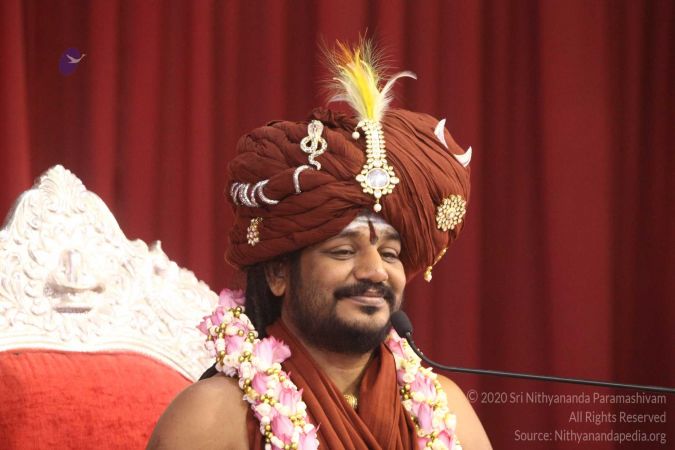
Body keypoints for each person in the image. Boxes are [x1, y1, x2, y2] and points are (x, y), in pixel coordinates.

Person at [148, 41, 491, 449]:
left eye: (390, 254)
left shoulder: (446, 409)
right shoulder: (212, 418)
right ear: (278, 272)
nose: (375, 271)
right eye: (344, 251)